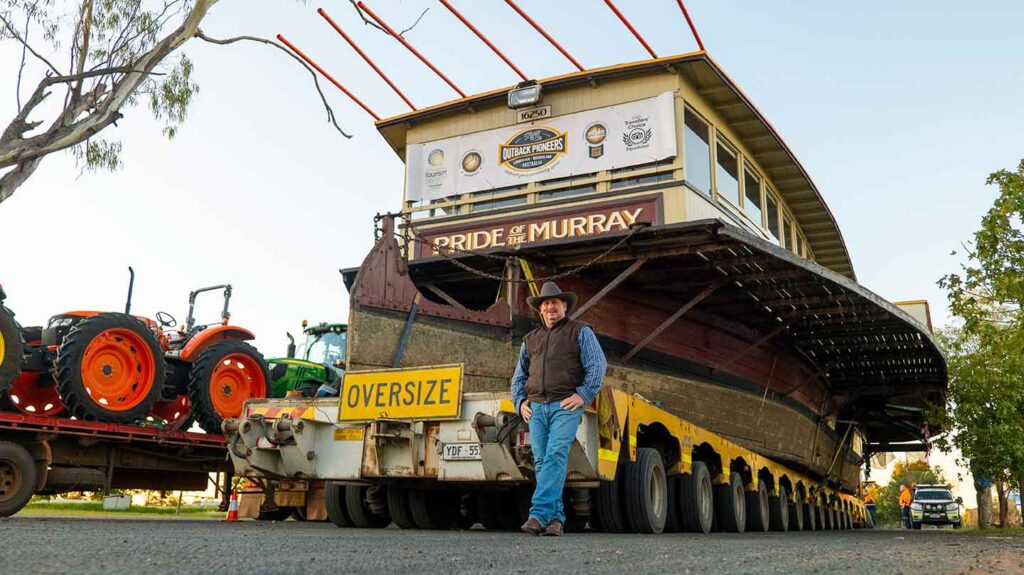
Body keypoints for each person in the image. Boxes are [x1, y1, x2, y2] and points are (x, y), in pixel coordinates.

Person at [510, 281, 607, 536]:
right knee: (542, 462)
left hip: (565, 405)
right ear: (540, 310)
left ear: (564, 306)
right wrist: (520, 402)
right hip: (536, 409)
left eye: (555, 302)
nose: (550, 307)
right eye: (546, 304)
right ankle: (556, 519)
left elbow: (598, 364)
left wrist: (583, 394)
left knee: (555, 455)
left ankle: (538, 514)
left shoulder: (580, 331)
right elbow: (518, 377)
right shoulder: (530, 339)